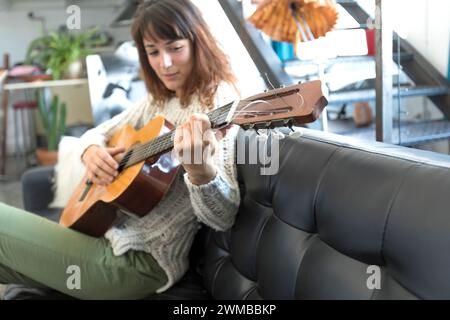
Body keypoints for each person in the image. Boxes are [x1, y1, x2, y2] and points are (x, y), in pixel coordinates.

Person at [0, 0, 241, 299]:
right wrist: (90, 150)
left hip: (139, 264)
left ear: (197, 42)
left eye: (174, 47)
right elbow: (99, 131)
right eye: (153, 52)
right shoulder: (159, 100)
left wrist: (200, 170)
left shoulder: (217, 104)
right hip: (107, 235)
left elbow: (224, 217)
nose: (164, 62)